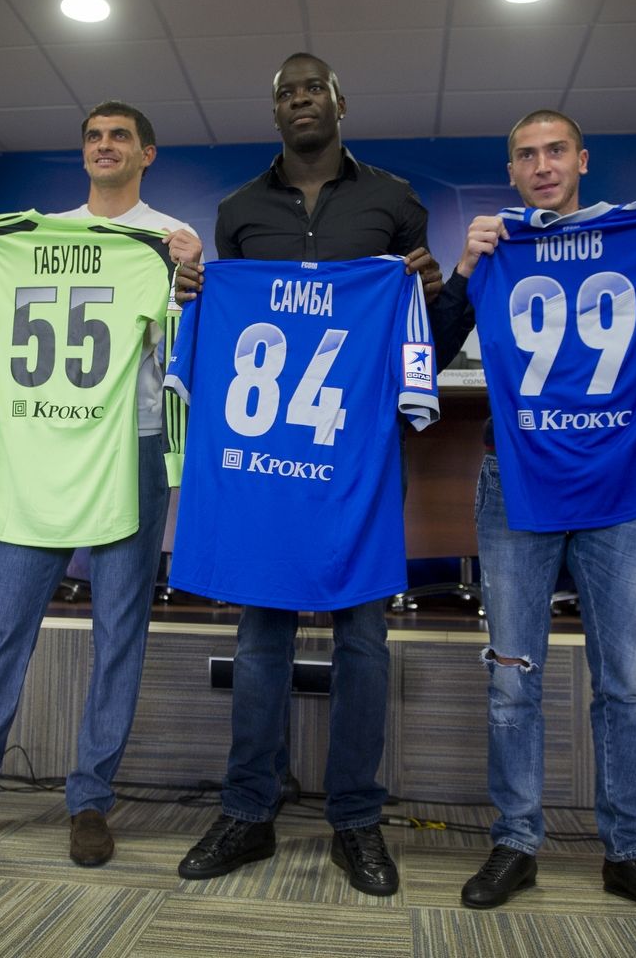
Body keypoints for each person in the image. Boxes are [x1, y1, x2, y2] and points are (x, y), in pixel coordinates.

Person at [429, 110, 636, 922]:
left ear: (581, 160)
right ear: (511, 171)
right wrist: (462, 270)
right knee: (511, 678)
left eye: (554, 151)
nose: (541, 165)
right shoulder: (499, 250)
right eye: (525, 155)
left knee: (624, 683)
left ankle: (629, 852)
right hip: (518, 481)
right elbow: (424, 351)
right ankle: (515, 842)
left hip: (622, 486)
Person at [0, 101, 202, 867]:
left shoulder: (169, 239)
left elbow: (189, 348)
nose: (103, 145)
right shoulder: (27, 235)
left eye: (119, 135)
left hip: (130, 443)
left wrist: (192, 281)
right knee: (4, 626)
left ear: (146, 153)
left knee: (118, 631)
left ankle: (90, 800)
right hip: (39, 447)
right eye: (93, 136)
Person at [171, 53, 442, 897]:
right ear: (275, 111)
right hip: (264, 464)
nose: (299, 101)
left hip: (357, 462)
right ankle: (248, 811)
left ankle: (356, 820)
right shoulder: (237, 212)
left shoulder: (393, 201)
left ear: (338, 102)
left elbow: (420, 333)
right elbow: (223, 317)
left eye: (311, 89)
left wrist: (430, 293)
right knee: (261, 639)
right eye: (285, 93)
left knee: (363, 640)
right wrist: (195, 292)